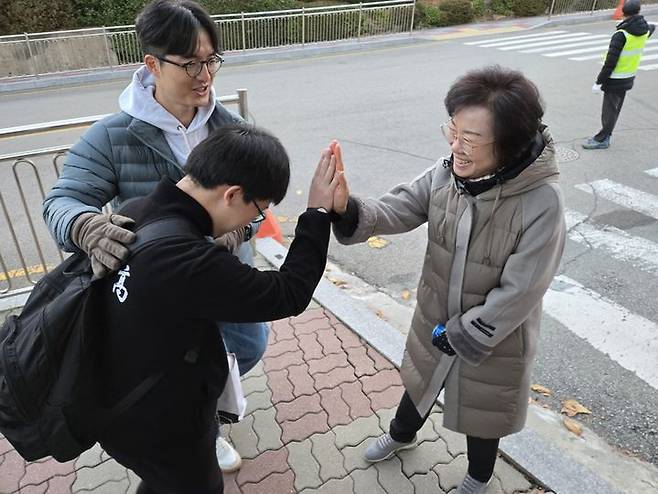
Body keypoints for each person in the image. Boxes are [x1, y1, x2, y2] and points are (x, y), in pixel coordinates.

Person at [42, 0, 264, 470]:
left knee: (249, 346)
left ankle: (206, 408)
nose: (205, 75)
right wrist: (85, 226)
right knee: (173, 369)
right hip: (158, 294)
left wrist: (237, 230)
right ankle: (201, 426)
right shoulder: (114, 135)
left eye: (212, 60)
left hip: (222, 277)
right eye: (190, 64)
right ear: (152, 64)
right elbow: (60, 202)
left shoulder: (229, 129)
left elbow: (259, 202)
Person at [330, 66, 566, 494]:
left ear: (509, 143)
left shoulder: (541, 201)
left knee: (483, 412)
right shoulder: (447, 172)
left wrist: (467, 332)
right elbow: (400, 207)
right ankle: (401, 435)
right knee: (419, 382)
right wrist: (348, 209)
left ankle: (479, 477)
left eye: (470, 139)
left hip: (495, 338)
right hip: (435, 313)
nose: (456, 146)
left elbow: (523, 290)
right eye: (452, 131)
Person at [96, 123, 345, 493]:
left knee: (160, 482)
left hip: (114, 398)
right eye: (258, 212)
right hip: (159, 421)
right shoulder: (189, 262)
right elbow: (288, 293)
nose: (254, 223)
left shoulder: (137, 212)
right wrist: (317, 213)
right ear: (232, 195)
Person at [582, 0, 655, 149]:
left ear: (623, 12)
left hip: (615, 79)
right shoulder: (644, 29)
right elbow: (652, 27)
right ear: (638, 11)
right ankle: (605, 136)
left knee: (609, 111)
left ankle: (602, 139)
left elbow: (610, 62)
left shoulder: (621, 34)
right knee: (615, 109)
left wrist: (599, 82)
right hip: (628, 77)